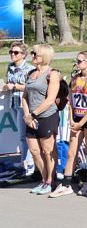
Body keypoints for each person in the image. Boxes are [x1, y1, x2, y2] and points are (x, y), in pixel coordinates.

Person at [60, 51, 87, 197]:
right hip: (77, 118)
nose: (77, 63)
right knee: (72, 152)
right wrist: (72, 119)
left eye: (80, 61)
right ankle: (66, 183)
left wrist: (81, 123)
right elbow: (71, 102)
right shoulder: (75, 79)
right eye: (76, 60)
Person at [23, 45, 62, 196]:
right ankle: (44, 178)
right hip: (30, 117)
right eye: (32, 53)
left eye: (35, 54)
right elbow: (25, 97)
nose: (32, 56)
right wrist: (27, 115)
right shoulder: (31, 73)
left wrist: (33, 114)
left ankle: (50, 181)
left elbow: (50, 100)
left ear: (44, 56)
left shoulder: (52, 74)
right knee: (34, 151)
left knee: (47, 151)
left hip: (47, 116)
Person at [0, 42, 35, 183]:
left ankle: (27, 162)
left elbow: (31, 86)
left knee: (23, 135)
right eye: (11, 52)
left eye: (16, 52)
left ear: (23, 55)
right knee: (21, 135)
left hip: (24, 104)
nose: (13, 55)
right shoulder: (10, 67)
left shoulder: (29, 68)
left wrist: (14, 86)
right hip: (13, 103)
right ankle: (25, 161)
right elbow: (8, 82)